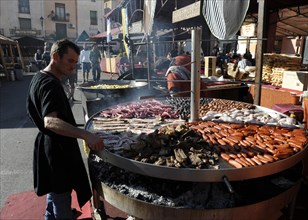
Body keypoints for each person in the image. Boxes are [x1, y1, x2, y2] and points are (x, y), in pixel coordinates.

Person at [26, 39, 104, 220]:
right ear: (55, 56)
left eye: (76, 62)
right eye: (70, 61)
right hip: (56, 153)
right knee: (61, 198)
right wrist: (86, 135)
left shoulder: (38, 76)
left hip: (47, 148)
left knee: (53, 194)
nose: (74, 66)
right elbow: (50, 122)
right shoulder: (50, 85)